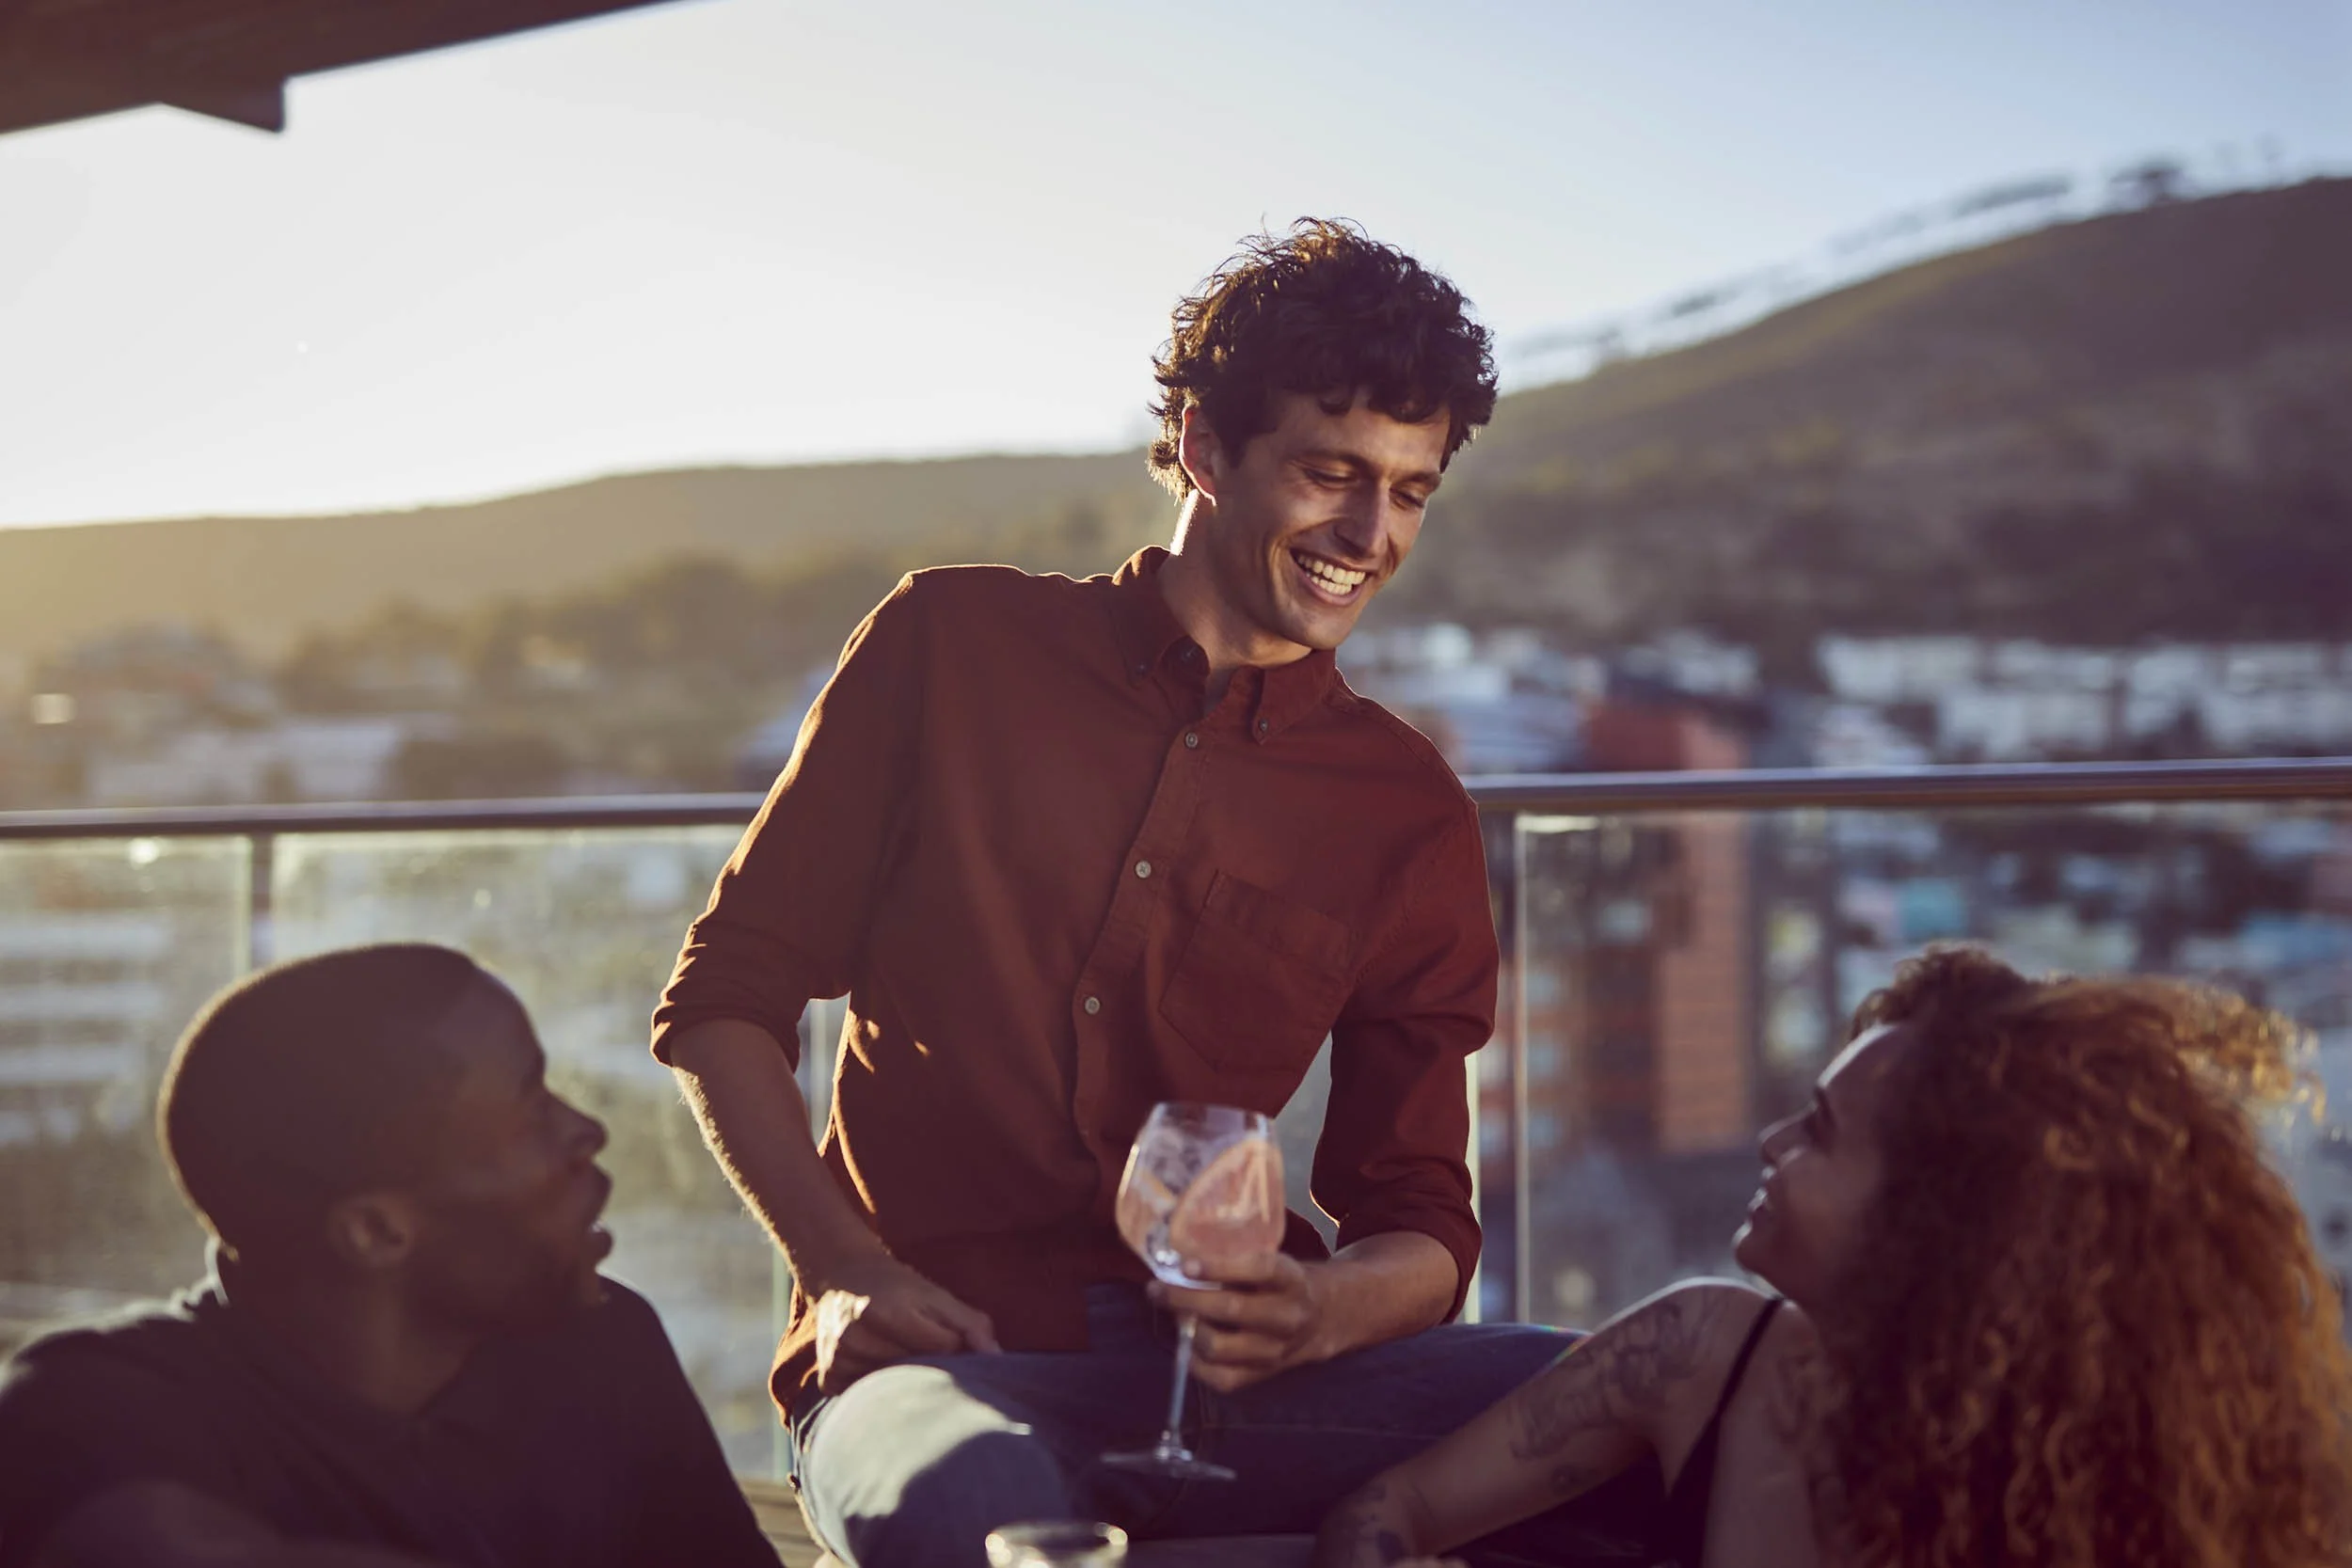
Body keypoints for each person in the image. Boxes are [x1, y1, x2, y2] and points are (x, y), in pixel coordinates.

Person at [656, 219, 1652, 1565]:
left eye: (1411, 491)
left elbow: (1420, 1217)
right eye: (1330, 472)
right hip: (938, 1360)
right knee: (975, 1513)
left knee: (1664, 1404)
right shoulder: (948, 644)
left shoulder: (1406, 806)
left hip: (1253, 1391)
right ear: (1200, 444)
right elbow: (726, 997)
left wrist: (1323, 1307)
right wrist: (842, 1270)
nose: (1370, 532)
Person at [1312, 944, 2352, 1568]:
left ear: (1937, 1218)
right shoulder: (1700, 1354)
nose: (1770, 1143)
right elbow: (1383, 1509)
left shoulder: (2112, 1491)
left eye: (1817, 1128)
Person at [0, 943, 777, 1568]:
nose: (587, 1131)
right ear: (376, 1231)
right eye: (532, 1105)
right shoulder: (88, 1401)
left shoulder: (608, 1345)